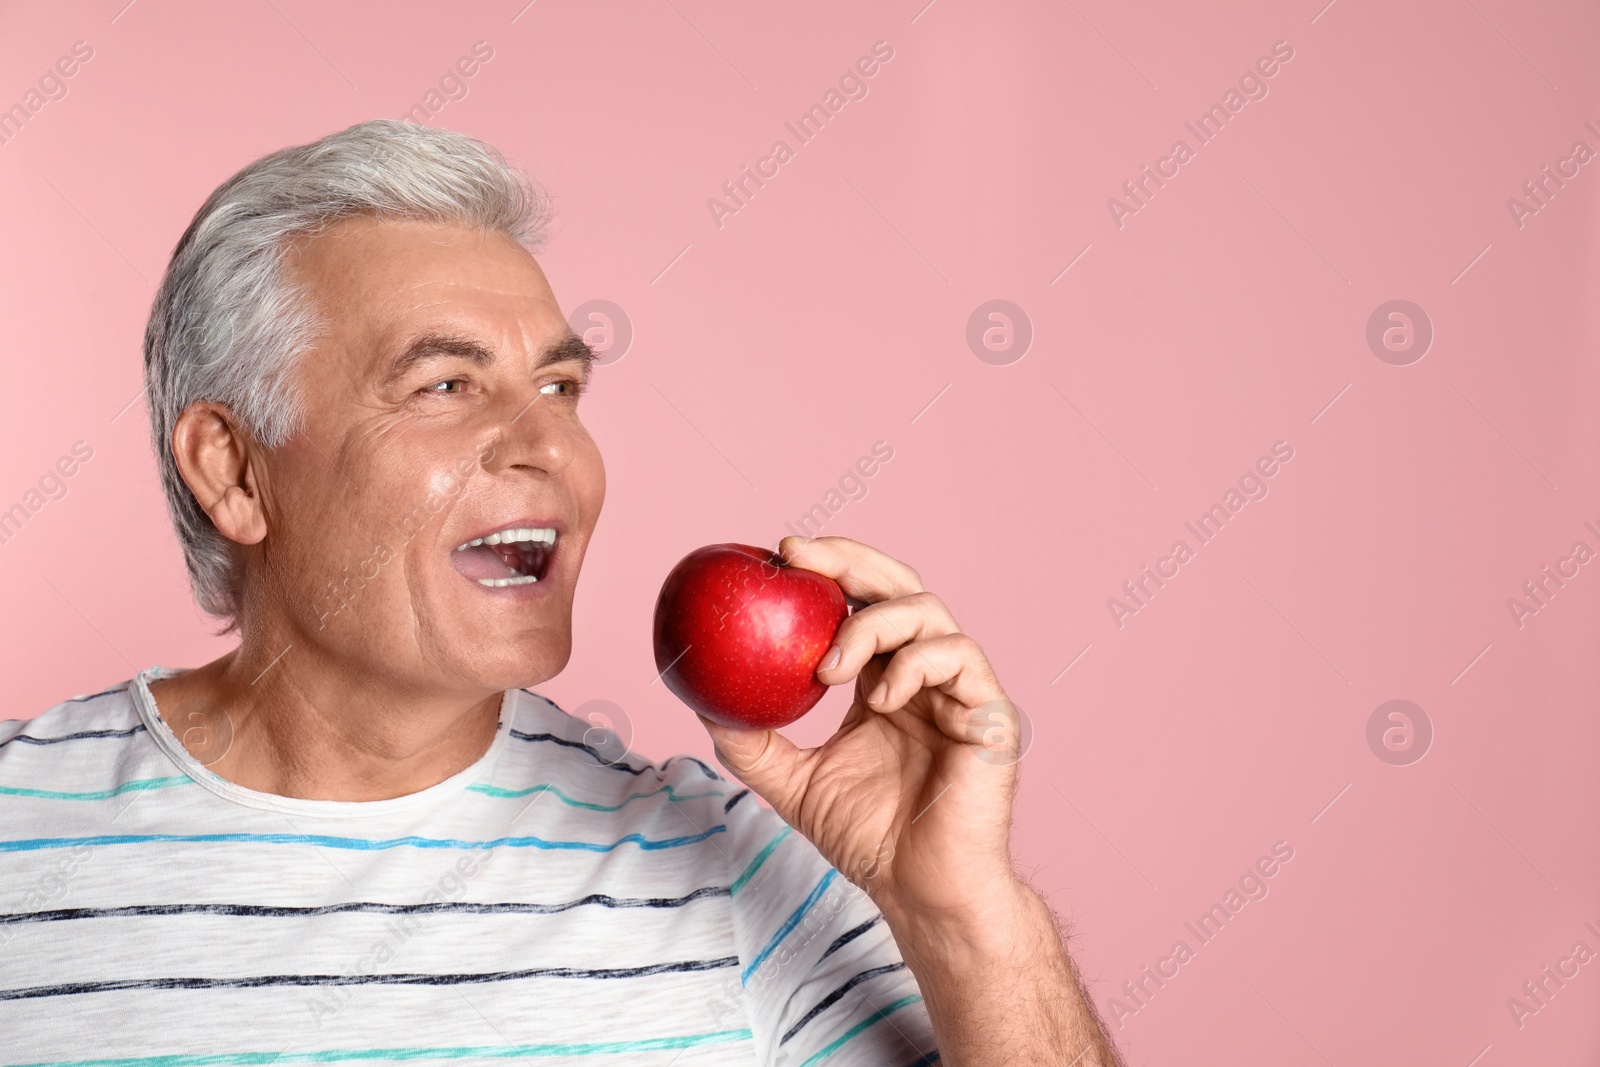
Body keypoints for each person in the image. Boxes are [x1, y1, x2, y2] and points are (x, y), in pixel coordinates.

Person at [0, 120, 1121, 1066]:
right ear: (234, 471)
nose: (548, 445)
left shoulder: (736, 862)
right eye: (445, 383)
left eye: (559, 384)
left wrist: (965, 912)